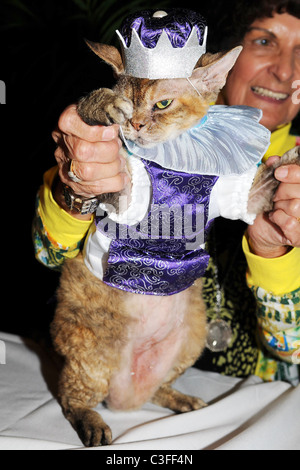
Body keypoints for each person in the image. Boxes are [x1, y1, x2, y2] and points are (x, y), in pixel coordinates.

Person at [33, 0, 300, 385]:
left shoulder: (288, 170)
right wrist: (76, 189)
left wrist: (273, 250)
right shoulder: (131, 130)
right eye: (263, 41)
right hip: (111, 357)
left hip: (245, 397)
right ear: (221, 59)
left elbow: (291, 348)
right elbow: (49, 255)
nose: (284, 70)